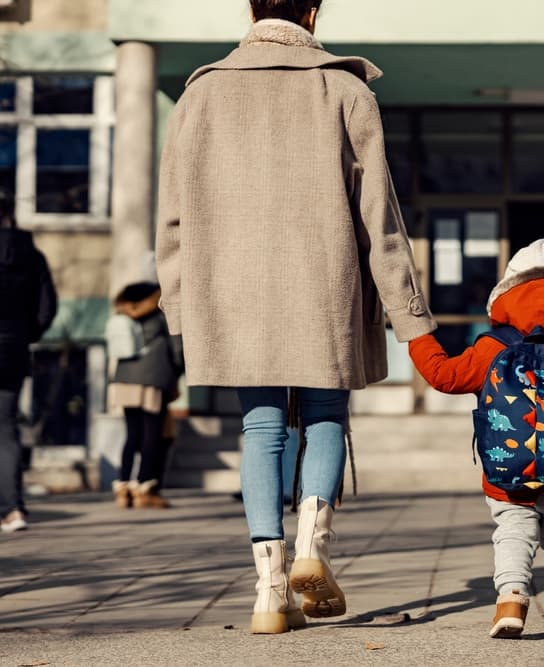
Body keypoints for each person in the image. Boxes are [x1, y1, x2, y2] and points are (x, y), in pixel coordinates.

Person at [154, 0, 436, 634]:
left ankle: (269, 590)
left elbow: (171, 216)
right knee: (326, 415)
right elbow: (379, 218)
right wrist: (409, 316)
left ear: (251, 10)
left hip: (235, 292)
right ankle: (313, 547)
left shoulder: (200, 94)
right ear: (313, 12)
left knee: (261, 430)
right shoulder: (343, 88)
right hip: (325, 282)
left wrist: (178, 305)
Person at [408, 238, 544, 638]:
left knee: (513, 530)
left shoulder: (493, 346)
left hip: (507, 463)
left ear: (507, 293)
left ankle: (510, 601)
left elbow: (444, 376)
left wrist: (416, 335)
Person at [106, 251, 184, 509]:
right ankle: (145, 488)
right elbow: (175, 345)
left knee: (132, 434)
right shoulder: (160, 303)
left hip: (124, 378)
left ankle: (123, 487)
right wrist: (178, 371)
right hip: (153, 377)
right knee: (152, 433)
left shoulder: (125, 302)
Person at [0, 190, 57, 533]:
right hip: (13, 349)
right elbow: (47, 306)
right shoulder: (32, 256)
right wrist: (27, 333)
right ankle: (12, 511)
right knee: (6, 430)